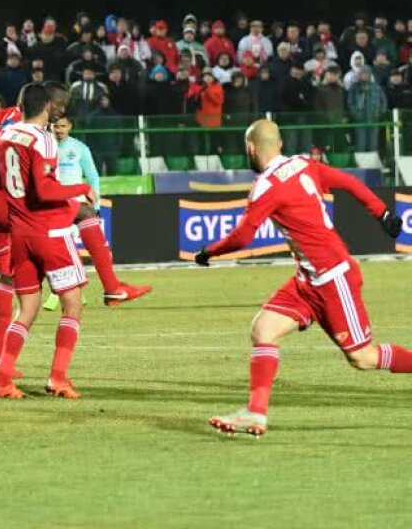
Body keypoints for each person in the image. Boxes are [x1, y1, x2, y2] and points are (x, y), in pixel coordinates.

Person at [194, 119, 408, 437]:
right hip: (308, 280)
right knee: (263, 329)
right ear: (279, 144)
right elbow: (347, 182)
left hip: (334, 278)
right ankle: (255, 413)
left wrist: (208, 253)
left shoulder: (266, 186)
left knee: (362, 358)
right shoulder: (303, 164)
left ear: (251, 149)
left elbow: (242, 237)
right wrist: (381, 212)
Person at [0, 83, 95, 400]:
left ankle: (2, 380)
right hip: (48, 232)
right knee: (72, 304)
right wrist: (79, 188)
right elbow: (45, 191)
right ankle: (58, 378)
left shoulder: (4, 135)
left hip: (19, 234)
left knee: (28, 308)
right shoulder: (43, 139)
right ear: (47, 106)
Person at [50, 112, 151, 307]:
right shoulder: (47, 147)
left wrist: (96, 205)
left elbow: (93, 177)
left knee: (82, 243)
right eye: (56, 126)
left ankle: (97, 288)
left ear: (70, 126)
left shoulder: (79, 148)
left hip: (76, 204)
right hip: (55, 204)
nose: (59, 130)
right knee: (62, 248)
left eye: (62, 126)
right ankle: (95, 288)